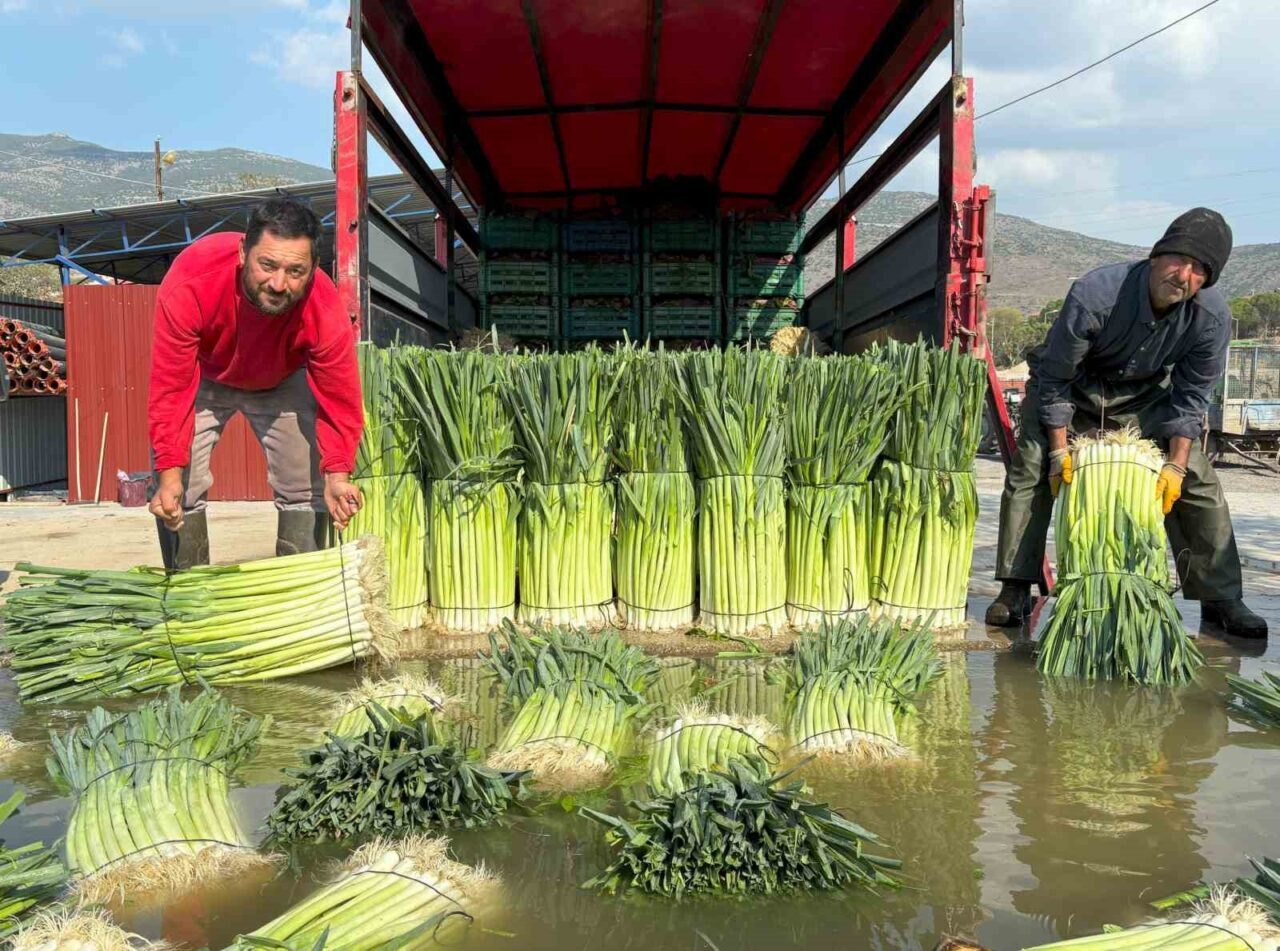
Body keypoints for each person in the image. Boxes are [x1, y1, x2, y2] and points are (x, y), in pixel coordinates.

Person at [987, 207, 1267, 639]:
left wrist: (1174, 466)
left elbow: (1190, 400)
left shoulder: (1209, 317)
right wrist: (1061, 450)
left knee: (1199, 482)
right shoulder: (1097, 293)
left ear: (1207, 281)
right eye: (1179, 260)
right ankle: (1014, 588)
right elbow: (1057, 380)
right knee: (1031, 468)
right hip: (1070, 388)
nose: (1184, 275)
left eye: (1200, 271)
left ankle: (1221, 597)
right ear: (1157, 255)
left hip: (1140, 396)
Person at [147, 197, 363, 568]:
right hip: (207, 374)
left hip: (281, 379)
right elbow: (171, 388)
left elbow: (339, 397)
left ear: (314, 268)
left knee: (305, 485)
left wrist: (338, 475)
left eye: (296, 271)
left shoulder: (323, 306)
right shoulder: (192, 279)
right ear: (243, 251)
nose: (279, 283)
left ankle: (298, 596)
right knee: (178, 486)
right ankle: (188, 599)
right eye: (267, 265)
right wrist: (168, 475)